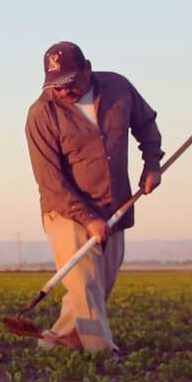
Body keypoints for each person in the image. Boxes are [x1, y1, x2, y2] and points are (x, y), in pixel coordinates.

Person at [23, 41, 163, 352]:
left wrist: (152, 165)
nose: (64, 92)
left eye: (70, 83)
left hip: (115, 205)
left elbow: (146, 125)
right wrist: (88, 219)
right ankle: (102, 354)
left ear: (87, 68)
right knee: (85, 283)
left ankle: (57, 344)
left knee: (96, 289)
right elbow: (50, 181)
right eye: (56, 86)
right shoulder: (41, 114)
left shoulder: (118, 87)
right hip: (67, 211)